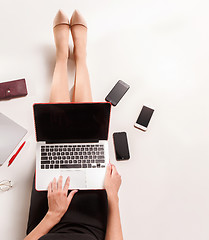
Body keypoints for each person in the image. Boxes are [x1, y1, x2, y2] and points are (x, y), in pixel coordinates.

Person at [24, 10, 123, 240]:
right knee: (87, 137)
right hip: (92, 223)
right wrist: (113, 197)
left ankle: (61, 57)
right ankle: (80, 58)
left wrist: (53, 214)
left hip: (47, 220)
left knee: (57, 139)